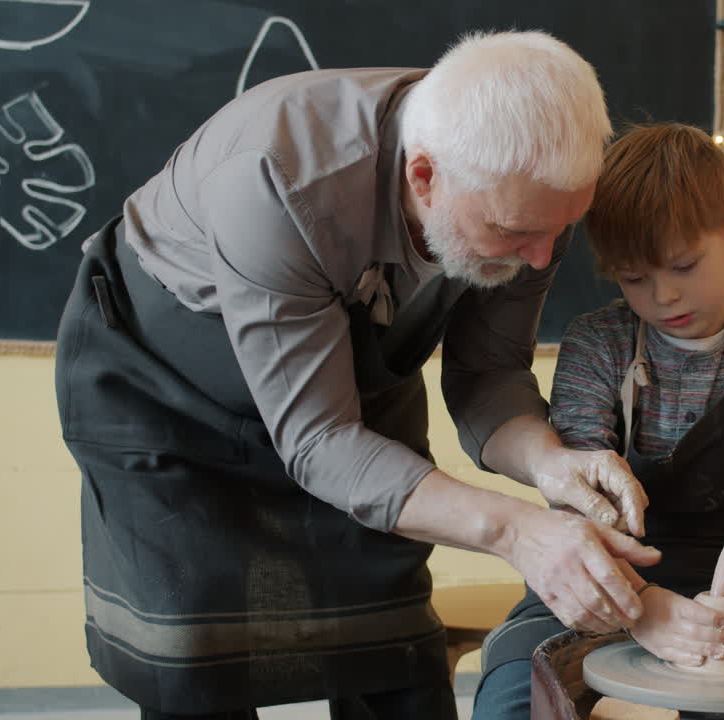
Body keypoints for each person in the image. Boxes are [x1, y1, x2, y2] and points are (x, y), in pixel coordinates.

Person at [54, 31, 661, 720]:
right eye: (514, 232)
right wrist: (518, 533)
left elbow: (488, 369)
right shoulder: (279, 175)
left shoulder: (528, 193)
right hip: (164, 393)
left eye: (561, 228)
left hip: (348, 377)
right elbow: (318, 441)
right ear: (424, 176)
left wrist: (551, 465)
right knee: (199, 666)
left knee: (390, 644)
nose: (540, 255)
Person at [472, 123, 724, 718]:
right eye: (635, 278)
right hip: (601, 573)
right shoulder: (598, 342)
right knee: (516, 702)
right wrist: (638, 607)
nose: (663, 296)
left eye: (684, 266)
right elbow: (576, 501)